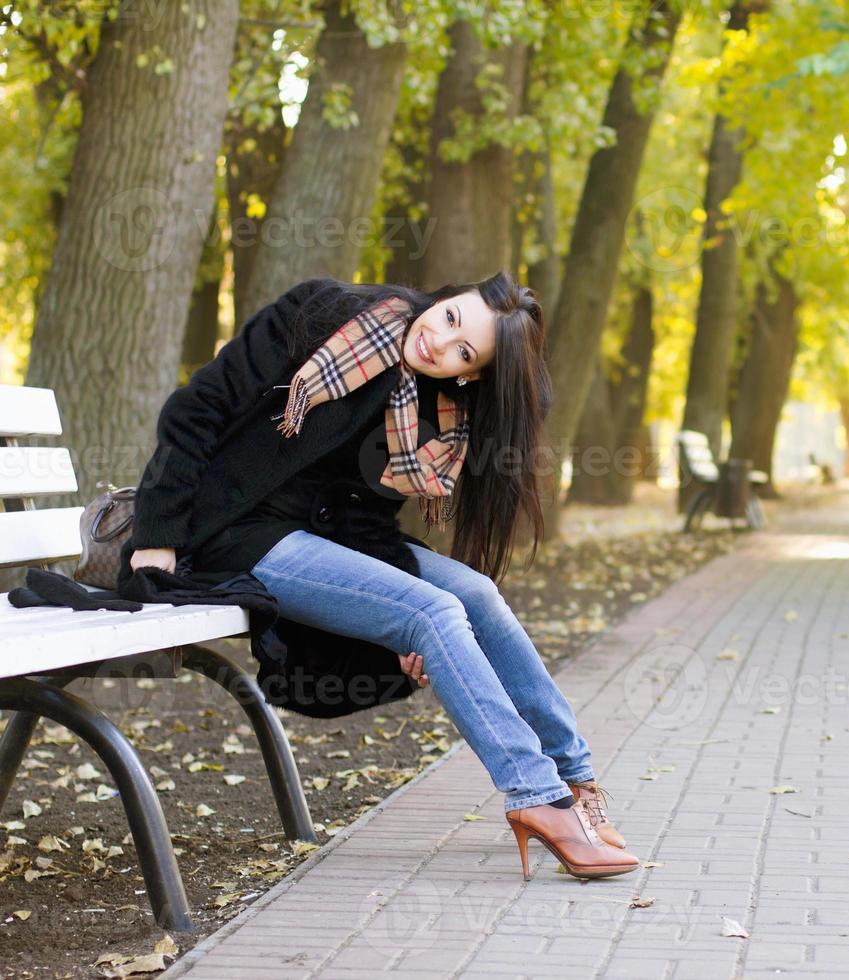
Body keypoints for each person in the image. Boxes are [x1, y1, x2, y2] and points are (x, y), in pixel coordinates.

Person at [125, 272, 638, 881]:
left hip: (320, 542)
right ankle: (538, 798)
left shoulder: (436, 414)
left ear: (471, 374)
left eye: (464, 352)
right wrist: (156, 537)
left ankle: (576, 779)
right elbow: (196, 408)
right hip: (228, 531)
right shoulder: (324, 316)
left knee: (473, 594)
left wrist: (390, 617)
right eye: (450, 319)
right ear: (445, 296)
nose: (440, 344)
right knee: (434, 613)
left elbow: (366, 525)